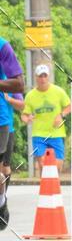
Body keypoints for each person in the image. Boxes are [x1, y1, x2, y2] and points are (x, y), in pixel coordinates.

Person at [21, 64, 71, 175]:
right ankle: (44, 190)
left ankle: (54, 189)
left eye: (45, 76)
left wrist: (61, 115)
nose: (43, 79)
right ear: (36, 78)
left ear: (48, 77)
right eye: (40, 76)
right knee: (43, 164)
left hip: (56, 133)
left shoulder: (58, 91)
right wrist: (27, 118)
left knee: (57, 166)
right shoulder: (30, 95)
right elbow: (24, 115)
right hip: (39, 134)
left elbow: (69, 106)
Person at [0, 89, 24, 229]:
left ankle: (3, 200)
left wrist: (10, 100)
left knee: (4, 169)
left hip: (6, 130)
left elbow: (22, 105)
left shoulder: (9, 80)